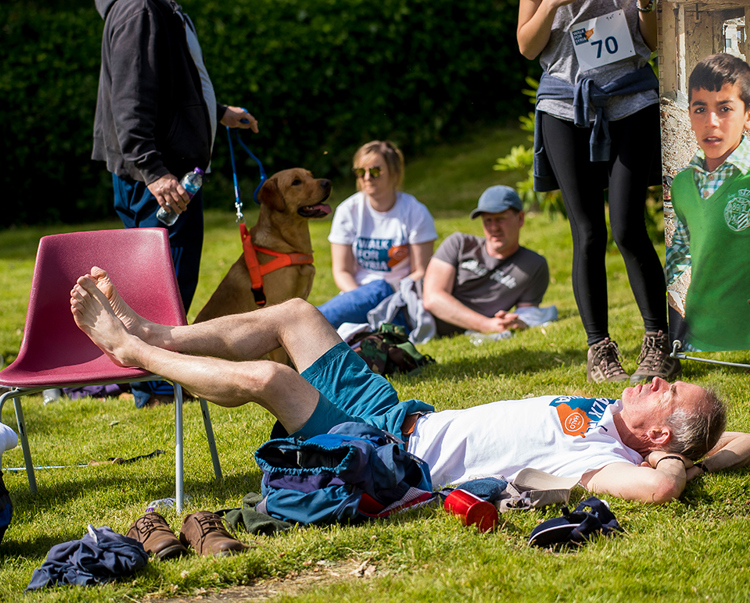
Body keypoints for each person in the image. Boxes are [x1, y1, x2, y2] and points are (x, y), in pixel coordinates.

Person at [69, 267, 750, 504]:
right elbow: (731, 441)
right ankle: (158, 333)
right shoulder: (621, 421)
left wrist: (673, 459)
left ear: (657, 432)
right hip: (402, 413)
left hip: (392, 456)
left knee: (271, 376)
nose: (654, 376)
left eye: (665, 390)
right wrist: (696, 449)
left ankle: (133, 352)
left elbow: (663, 484)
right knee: (297, 314)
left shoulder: (602, 464)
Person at [93, 0, 258, 407]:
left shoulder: (153, 7)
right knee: (164, 280)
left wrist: (215, 112)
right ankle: (154, 381)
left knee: (161, 277)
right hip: (161, 174)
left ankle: (151, 376)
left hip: (162, 168)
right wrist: (154, 171)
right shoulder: (141, 10)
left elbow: (164, 86)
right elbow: (130, 100)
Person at [517, 0, 680, 384]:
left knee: (627, 227)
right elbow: (527, 46)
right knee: (588, 232)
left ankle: (659, 342)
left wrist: (646, 7)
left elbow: (651, 41)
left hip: (631, 101)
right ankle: (599, 349)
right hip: (563, 106)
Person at [666, 54, 750, 352]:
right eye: (700, 109)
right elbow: (680, 252)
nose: (711, 122)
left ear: (748, 115)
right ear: (688, 113)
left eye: (725, 109)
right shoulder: (682, 184)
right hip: (699, 339)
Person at [317, 141, 437, 329]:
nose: (366, 177)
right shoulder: (348, 211)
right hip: (356, 293)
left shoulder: (415, 212)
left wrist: (389, 297)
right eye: (360, 172)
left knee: (322, 324)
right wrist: (361, 300)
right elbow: (342, 271)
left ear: (394, 172)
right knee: (322, 326)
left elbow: (421, 271)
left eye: (374, 171)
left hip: (397, 295)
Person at [423, 185, 550, 337]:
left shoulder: (533, 266)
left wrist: (516, 322)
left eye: (500, 219)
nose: (493, 227)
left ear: (520, 218)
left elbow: (526, 313)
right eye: (487, 220)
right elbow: (432, 298)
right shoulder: (459, 244)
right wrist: (485, 325)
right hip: (409, 311)